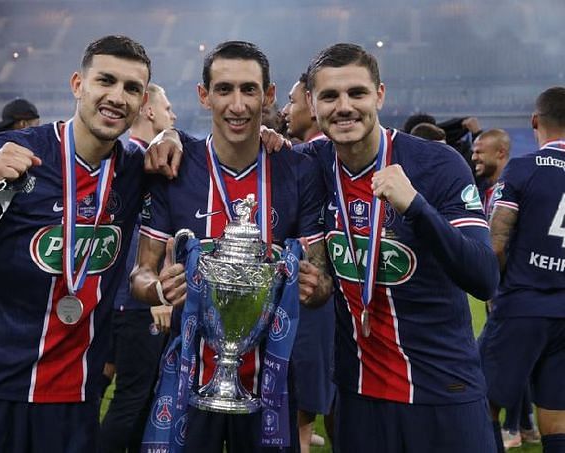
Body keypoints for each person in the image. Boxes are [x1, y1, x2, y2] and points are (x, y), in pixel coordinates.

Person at [0, 35, 177, 453]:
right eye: (105, 81)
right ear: (77, 85)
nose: (117, 97)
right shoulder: (17, 152)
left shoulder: (134, 171)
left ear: (144, 104)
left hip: (74, 394)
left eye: (131, 88)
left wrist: (171, 136)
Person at [131, 41, 333, 453]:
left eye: (249, 90)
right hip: (189, 377)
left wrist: (316, 286)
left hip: (271, 381)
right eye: (224, 90)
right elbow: (141, 275)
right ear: (204, 95)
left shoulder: (297, 169)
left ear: (269, 95)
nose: (237, 105)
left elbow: (322, 282)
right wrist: (159, 289)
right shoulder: (175, 166)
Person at [303, 43, 499, 453]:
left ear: (380, 95)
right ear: (311, 103)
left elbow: (484, 277)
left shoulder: (436, 164)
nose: (344, 107)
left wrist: (416, 207)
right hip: (360, 399)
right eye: (329, 96)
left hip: (443, 389)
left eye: (356, 93)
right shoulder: (309, 165)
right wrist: (169, 138)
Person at [480, 86, 565, 453]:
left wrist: (494, 289)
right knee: (557, 415)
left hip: (521, 305)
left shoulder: (524, 168)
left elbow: (496, 242)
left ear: (535, 121)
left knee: (480, 401)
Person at [98, 82, 176, 453]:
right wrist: (157, 296)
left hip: (119, 299)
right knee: (134, 396)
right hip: (137, 302)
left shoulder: (130, 158)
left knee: (123, 391)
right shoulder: (138, 163)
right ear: (147, 110)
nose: (172, 115)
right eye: (167, 107)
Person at [282, 72, 336, 453]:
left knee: (294, 411)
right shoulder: (339, 156)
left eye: (293, 100)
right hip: (337, 297)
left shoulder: (303, 158)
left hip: (307, 296)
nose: (286, 110)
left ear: (314, 109)